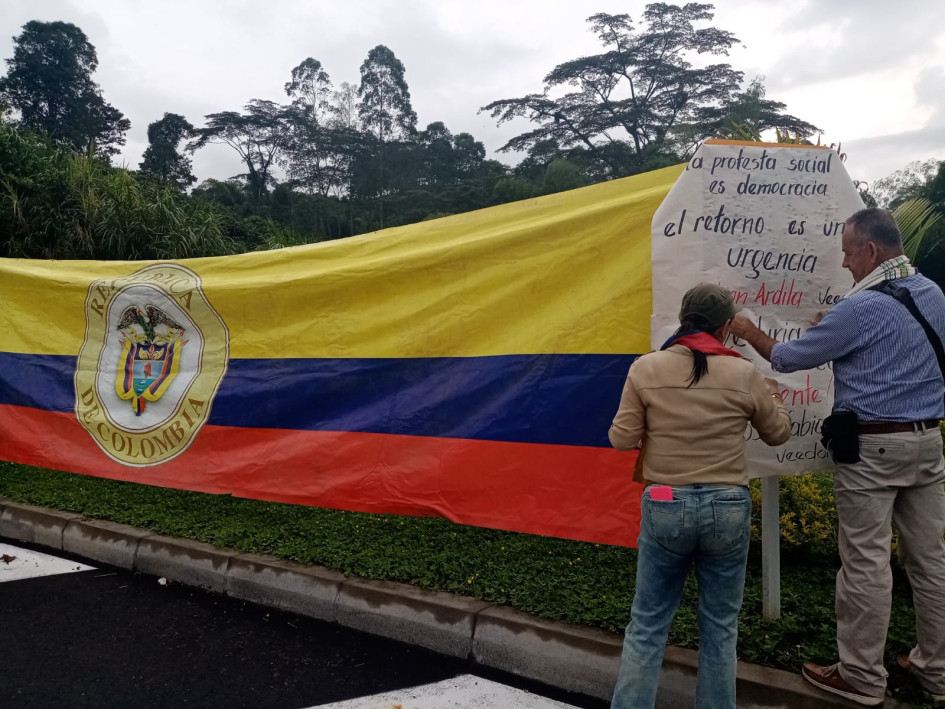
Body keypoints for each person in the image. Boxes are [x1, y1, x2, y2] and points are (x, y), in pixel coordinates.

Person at [730, 207, 945, 706]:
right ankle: (936, 672)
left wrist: (746, 325)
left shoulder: (859, 308)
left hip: (872, 447)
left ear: (871, 251)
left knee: (866, 563)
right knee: (932, 562)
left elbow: (786, 358)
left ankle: (862, 678)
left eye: (848, 252)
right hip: (928, 444)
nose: (845, 263)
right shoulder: (933, 294)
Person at [609, 283, 791, 709]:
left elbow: (621, 439)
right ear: (727, 325)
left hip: (666, 503)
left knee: (648, 625)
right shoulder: (744, 373)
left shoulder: (646, 368)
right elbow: (778, 433)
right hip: (727, 506)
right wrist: (775, 396)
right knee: (720, 629)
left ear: (683, 316)